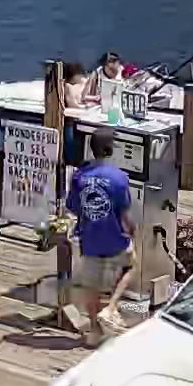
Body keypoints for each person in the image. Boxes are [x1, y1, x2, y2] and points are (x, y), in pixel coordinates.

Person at [64, 130, 137, 345]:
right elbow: (124, 213)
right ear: (110, 149)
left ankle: (94, 331)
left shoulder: (78, 176)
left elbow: (73, 206)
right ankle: (111, 308)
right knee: (132, 266)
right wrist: (133, 232)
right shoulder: (119, 178)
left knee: (91, 287)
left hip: (89, 239)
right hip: (115, 238)